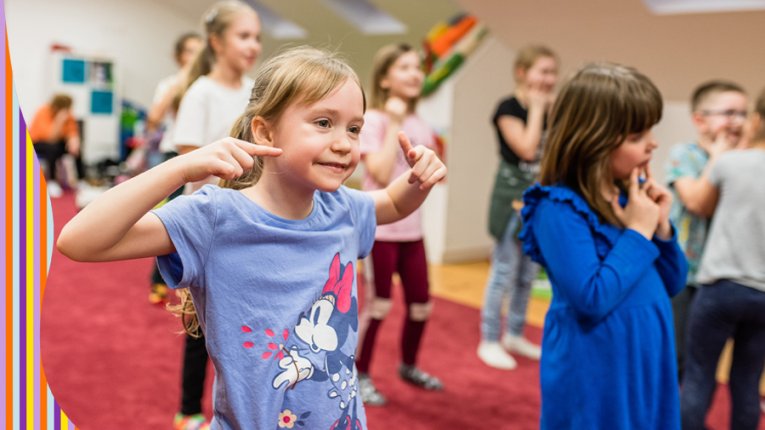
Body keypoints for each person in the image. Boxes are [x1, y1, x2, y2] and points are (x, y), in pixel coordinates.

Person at [57, 46, 446, 430]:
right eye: (323, 122)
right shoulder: (216, 217)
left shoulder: (342, 208)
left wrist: (418, 179)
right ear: (265, 131)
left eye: (354, 129)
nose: (344, 143)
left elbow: (393, 203)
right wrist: (180, 168)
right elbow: (79, 240)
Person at [519, 63, 688, 429]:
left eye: (651, 130)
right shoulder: (558, 208)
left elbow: (674, 282)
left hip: (645, 357)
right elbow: (591, 297)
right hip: (596, 368)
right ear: (593, 140)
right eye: (637, 135)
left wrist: (660, 227)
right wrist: (638, 232)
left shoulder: (632, 199)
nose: (653, 143)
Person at [169, 2, 262, 428]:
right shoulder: (201, 92)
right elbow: (188, 159)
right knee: (202, 326)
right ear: (217, 42)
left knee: (246, 325)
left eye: (257, 37)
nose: (253, 45)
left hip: (251, 219)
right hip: (210, 223)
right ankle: (188, 410)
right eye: (244, 36)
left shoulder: (256, 92)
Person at [355, 43, 443, 406]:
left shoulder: (422, 124)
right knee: (378, 306)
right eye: (404, 67)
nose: (415, 74)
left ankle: (409, 365)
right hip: (381, 232)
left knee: (421, 305)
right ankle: (359, 374)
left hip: (413, 232)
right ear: (385, 79)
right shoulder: (374, 120)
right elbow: (378, 171)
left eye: (417, 67)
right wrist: (393, 122)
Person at [680, 88, 765, 430]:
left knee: (699, 376)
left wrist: (718, 153)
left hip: (721, 288)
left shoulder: (731, 163)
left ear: (756, 120)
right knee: (747, 383)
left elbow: (699, 204)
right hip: (763, 295)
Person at [477, 45, 558, 370]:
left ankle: (514, 333)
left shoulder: (554, 108)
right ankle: (489, 339)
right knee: (504, 271)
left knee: (528, 274)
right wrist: (537, 109)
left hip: (539, 201)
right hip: (510, 200)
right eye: (543, 71)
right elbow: (526, 148)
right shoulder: (508, 108)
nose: (549, 79)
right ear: (522, 72)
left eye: (553, 72)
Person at [664, 80, 748, 380]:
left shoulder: (745, 161)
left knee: (705, 361)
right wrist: (718, 158)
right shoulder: (685, 154)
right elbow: (697, 202)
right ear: (700, 120)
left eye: (744, 114)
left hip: (723, 274)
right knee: (677, 355)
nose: (737, 122)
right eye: (729, 113)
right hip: (684, 272)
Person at [146, 32, 203, 305]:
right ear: (179, 56)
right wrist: (181, 81)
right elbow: (154, 119)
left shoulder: (208, 84)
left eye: (199, 50)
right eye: (190, 50)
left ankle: (192, 281)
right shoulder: (170, 84)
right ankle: (159, 278)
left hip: (206, 154)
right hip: (175, 156)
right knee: (173, 219)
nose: (195, 56)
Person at [29, 93, 85, 198]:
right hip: (38, 143)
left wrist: (74, 141)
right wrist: (59, 120)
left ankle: (81, 180)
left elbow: (72, 131)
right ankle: (52, 182)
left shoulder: (68, 114)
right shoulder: (43, 112)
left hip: (57, 143)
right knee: (52, 148)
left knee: (76, 150)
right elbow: (50, 137)